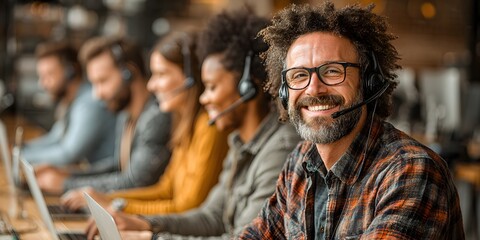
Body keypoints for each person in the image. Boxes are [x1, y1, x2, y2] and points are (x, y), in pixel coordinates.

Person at [239, 2, 465, 239]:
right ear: (285, 92)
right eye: (299, 75)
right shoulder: (300, 162)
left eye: (333, 71)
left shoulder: (411, 171)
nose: (314, 89)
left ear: (369, 82)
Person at [84, 10, 301, 240]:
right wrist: (144, 223)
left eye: (212, 87)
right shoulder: (238, 144)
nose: (203, 98)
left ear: (247, 87)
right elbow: (210, 218)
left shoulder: (280, 150)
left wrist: (150, 237)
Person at [62, 31, 230, 216]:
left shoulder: (208, 126)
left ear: (190, 78)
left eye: (161, 74)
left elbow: (186, 207)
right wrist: (110, 201)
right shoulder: (182, 123)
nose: (152, 85)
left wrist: (116, 207)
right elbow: (165, 189)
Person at [35, 37, 172, 196]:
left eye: (103, 81)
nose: (97, 94)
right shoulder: (125, 115)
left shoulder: (155, 117)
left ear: (129, 73)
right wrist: (67, 173)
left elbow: (134, 182)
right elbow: (119, 167)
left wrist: (66, 185)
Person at [23, 41, 117, 170]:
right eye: (41, 76)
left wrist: (21, 157)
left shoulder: (89, 103)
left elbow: (68, 154)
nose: (42, 84)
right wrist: (21, 148)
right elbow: (55, 138)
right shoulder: (73, 101)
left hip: (109, 183)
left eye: (49, 75)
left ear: (70, 72)